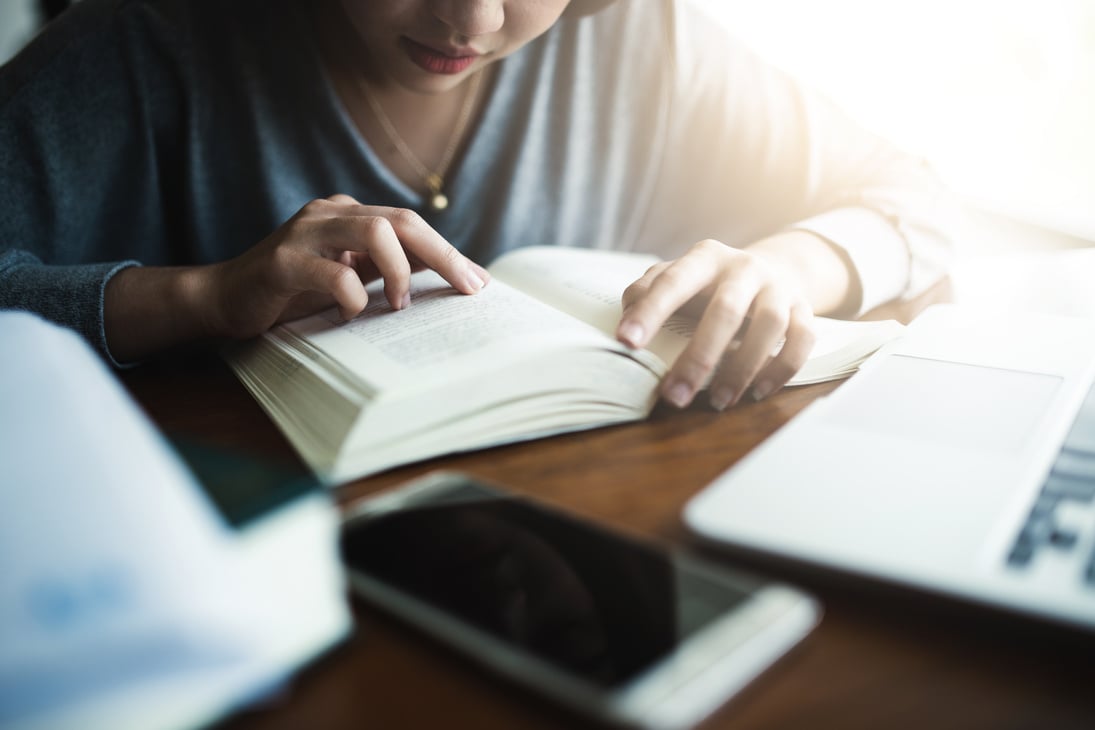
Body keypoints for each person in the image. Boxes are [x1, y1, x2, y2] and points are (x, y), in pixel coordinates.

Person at [0, 0, 953, 411]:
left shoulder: (645, 44)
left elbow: (910, 194)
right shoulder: (148, 44)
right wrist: (202, 298)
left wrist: (790, 265)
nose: (472, 22)